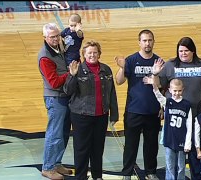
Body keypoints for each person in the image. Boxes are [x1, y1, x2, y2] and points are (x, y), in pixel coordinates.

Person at [153, 36, 201, 180]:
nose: (183, 53)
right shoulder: (170, 65)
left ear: (193, 51)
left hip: (198, 117)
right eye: (180, 51)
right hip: (176, 120)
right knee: (175, 155)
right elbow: (159, 87)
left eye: (186, 51)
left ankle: (197, 177)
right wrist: (156, 74)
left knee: (196, 151)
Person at [63, 40, 119, 180]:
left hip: (101, 116)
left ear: (99, 54)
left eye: (95, 52)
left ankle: (97, 176)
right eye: (89, 53)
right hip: (81, 116)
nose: (92, 55)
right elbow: (68, 91)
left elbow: (112, 93)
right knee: (82, 149)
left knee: (97, 149)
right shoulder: (77, 69)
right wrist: (72, 75)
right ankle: (81, 177)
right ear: (84, 54)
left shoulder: (106, 69)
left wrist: (114, 114)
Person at [114, 29, 162, 180]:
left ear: (153, 42)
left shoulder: (159, 61)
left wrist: (162, 107)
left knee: (152, 145)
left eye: (150, 40)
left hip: (153, 111)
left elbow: (163, 86)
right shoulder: (131, 60)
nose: (147, 43)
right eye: (144, 40)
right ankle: (127, 173)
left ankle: (150, 172)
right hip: (134, 111)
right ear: (139, 42)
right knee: (130, 145)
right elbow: (119, 81)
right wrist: (122, 67)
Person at [38, 22, 72, 179]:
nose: (56, 39)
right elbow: (54, 82)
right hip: (55, 98)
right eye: (52, 37)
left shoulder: (59, 47)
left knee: (64, 132)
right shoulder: (45, 56)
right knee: (55, 133)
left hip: (65, 97)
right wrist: (70, 73)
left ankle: (56, 162)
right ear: (45, 37)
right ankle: (48, 167)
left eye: (57, 36)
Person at [143, 74, 193, 180]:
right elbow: (158, 95)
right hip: (169, 139)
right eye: (174, 91)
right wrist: (154, 85)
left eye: (179, 91)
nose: (177, 93)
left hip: (181, 139)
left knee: (181, 166)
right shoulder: (168, 102)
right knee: (169, 165)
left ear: (183, 90)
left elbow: (189, 125)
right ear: (170, 90)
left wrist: (188, 142)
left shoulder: (187, 105)